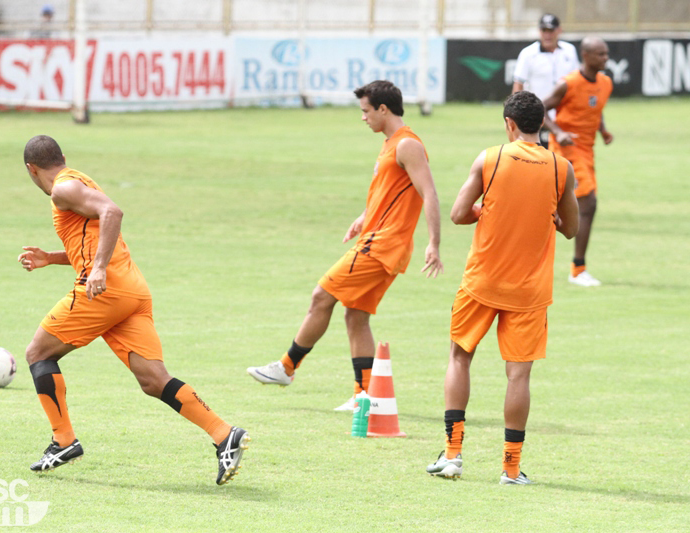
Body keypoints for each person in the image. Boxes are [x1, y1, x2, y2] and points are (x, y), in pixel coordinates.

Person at [18, 135, 249, 485]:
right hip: (131, 290)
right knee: (154, 380)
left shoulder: (61, 190)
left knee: (38, 352)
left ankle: (63, 441)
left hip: (104, 292)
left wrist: (96, 270)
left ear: (31, 170)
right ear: (62, 157)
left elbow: (112, 212)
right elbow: (94, 236)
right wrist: (52, 258)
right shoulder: (77, 178)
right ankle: (223, 434)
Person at [246, 80, 443, 411]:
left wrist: (434, 243)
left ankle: (286, 367)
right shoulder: (391, 143)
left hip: (382, 245)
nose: (362, 117)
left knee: (321, 296)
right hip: (379, 240)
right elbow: (393, 190)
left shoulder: (407, 145)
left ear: (383, 109)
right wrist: (364, 215)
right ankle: (364, 396)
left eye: (365, 111)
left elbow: (430, 194)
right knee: (355, 316)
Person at [426, 91, 579, 485]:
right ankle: (510, 468)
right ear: (541, 123)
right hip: (529, 291)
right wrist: (551, 220)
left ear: (509, 124)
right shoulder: (562, 168)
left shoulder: (490, 158)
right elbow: (572, 228)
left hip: (482, 281)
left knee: (460, 358)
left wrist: (484, 210)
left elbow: (459, 213)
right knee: (519, 376)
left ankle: (453, 455)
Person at [543, 37, 614, 287]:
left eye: (606, 54)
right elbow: (541, 108)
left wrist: (603, 130)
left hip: (587, 151)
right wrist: (557, 131)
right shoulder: (569, 83)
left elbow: (596, 107)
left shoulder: (605, 83)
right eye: (600, 54)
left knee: (563, 206)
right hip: (566, 149)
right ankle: (578, 269)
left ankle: (575, 266)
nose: (605, 58)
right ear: (586, 56)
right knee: (588, 202)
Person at [511, 13, 579, 148]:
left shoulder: (569, 51)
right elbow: (518, 85)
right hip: (537, 116)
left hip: (564, 116)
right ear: (539, 31)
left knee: (564, 162)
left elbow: (577, 81)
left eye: (551, 31)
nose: (547, 35)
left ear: (559, 30)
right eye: (544, 31)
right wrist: (516, 115)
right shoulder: (528, 53)